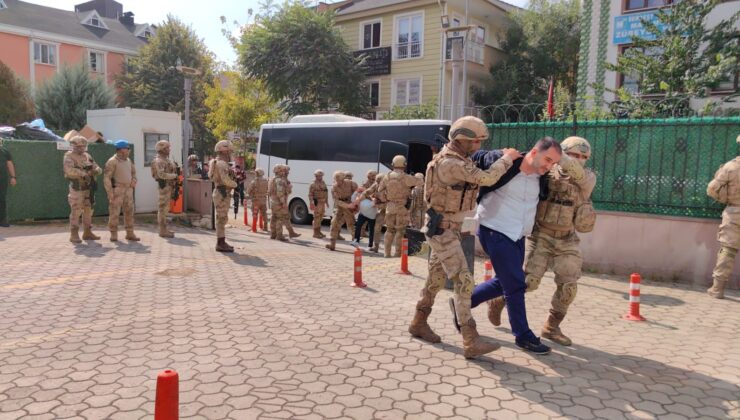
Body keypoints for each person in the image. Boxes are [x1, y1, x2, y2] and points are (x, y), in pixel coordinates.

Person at [408, 116, 519, 359]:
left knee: (436, 279)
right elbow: (487, 177)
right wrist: (507, 159)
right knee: (464, 280)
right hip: (443, 230)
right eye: (475, 141)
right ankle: (470, 338)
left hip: (448, 228)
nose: (478, 146)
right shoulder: (450, 163)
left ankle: (418, 322)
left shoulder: (458, 158)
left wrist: (500, 153)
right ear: (461, 140)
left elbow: (477, 167)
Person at [457, 137, 566, 355]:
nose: (549, 166)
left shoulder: (542, 177)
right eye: (547, 160)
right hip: (494, 229)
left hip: (518, 235)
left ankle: (462, 304)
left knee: (505, 281)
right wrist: (502, 155)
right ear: (533, 152)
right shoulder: (508, 162)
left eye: (553, 163)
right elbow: (478, 157)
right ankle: (523, 336)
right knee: (515, 285)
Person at [487, 137, 595, 346]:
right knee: (528, 282)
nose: (579, 159)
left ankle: (552, 327)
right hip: (542, 236)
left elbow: (578, 174)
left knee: (569, 287)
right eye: (573, 154)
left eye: (583, 157)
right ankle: (499, 300)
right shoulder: (546, 173)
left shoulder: (587, 178)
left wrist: (562, 157)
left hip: (567, 239)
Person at [706, 134, 740, 299]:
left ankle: (717, 289)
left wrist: (724, 198)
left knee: (727, 250)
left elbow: (712, 189)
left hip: (734, 213)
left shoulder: (730, 168)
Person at [378, 155, 423, 258]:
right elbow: (421, 182)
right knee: (400, 230)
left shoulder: (387, 176)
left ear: (393, 164)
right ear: (404, 165)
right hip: (402, 207)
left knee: (389, 230)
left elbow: (380, 191)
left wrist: (385, 200)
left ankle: (387, 253)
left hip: (390, 206)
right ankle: (397, 253)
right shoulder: (406, 177)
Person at [63, 136, 102, 243]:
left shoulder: (87, 156)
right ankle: (74, 234)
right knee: (76, 210)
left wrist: (97, 170)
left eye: (84, 146)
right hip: (77, 188)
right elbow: (69, 171)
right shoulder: (69, 156)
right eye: (79, 146)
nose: (82, 148)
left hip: (89, 188)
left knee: (88, 209)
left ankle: (87, 232)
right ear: (74, 146)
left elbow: (96, 166)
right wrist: (84, 174)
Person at [104, 140, 139, 242]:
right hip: (117, 190)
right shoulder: (112, 161)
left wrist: (134, 180)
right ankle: (113, 233)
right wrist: (110, 193)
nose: (128, 150)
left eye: (128, 149)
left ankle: (130, 233)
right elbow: (107, 178)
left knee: (129, 212)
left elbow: (134, 173)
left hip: (128, 190)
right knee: (114, 212)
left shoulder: (128, 160)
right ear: (121, 149)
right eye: (127, 148)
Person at [210, 140, 238, 252]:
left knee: (222, 218)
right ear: (224, 151)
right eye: (229, 151)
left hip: (221, 193)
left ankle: (221, 241)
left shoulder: (218, 162)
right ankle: (220, 244)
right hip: (221, 193)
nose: (230, 154)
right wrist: (235, 184)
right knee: (221, 219)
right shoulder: (221, 163)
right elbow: (225, 180)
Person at [151, 140, 179, 238]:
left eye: (168, 147)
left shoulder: (167, 160)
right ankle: (162, 230)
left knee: (166, 208)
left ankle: (164, 228)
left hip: (169, 186)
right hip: (164, 186)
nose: (169, 149)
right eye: (167, 148)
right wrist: (174, 175)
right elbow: (161, 174)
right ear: (161, 149)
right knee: (162, 208)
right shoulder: (159, 160)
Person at [326, 170, 357, 251]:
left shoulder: (350, 183)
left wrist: (356, 204)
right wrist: (347, 205)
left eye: (339, 180)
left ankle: (356, 245)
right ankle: (332, 244)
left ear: (343, 179)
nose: (338, 182)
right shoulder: (334, 187)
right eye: (336, 180)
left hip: (349, 204)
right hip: (340, 206)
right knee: (334, 223)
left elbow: (358, 192)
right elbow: (336, 201)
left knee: (351, 225)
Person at [359, 173, 386, 252]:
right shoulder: (376, 185)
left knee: (393, 229)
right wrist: (360, 198)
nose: (377, 183)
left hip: (390, 210)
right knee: (376, 227)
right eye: (376, 181)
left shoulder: (389, 187)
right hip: (381, 210)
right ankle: (376, 246)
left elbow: (391, 202)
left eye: (379, 182)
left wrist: (378, 206)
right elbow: (367, 191)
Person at [0, 138, 17, 227]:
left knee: (2, 199)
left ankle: (2, 220)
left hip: (2, 179)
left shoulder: (5, 152)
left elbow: (9, 164)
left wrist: (13, 177)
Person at [247, 168, 269, 232]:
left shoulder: (254, 181)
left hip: (256, 200)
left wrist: (251, 195)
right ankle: (265, 227)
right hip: (264, 200)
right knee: (264, 214)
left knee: (255, 214)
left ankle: (254, 228)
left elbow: (248, 190)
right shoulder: (266, 181)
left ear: (257, 173)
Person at [308, 169, 329, 238]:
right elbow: (310, 194)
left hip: (322, 202)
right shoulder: (313, 184)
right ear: (316, 176)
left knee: (321, 217)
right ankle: (315, 233)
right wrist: (311, 203)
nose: (320, 177)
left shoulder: (323, 182)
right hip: (317, 202)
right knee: (316, 217)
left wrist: (327, 202)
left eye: (321, 176)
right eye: (319, 176)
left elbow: (325, 192)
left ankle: (318, 231)